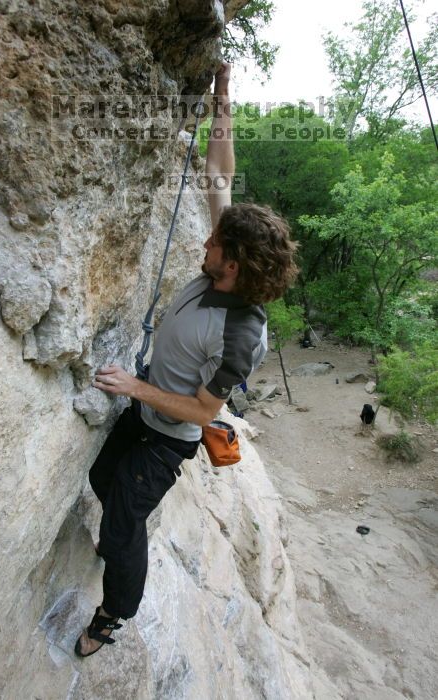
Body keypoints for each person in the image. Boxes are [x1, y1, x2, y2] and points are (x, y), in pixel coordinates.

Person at [74, 62, 299, 657]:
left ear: (234, 266)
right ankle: (117, 546)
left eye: (214, 245)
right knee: (101, 479)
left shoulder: (240, 334)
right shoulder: (223, 265)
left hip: (167, 437)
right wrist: (224, 100)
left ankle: (113, 615)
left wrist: (134, 388)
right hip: (146, 408)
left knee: (122, 526)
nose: (204, 242)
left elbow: (204, 412)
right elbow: (218, 171)